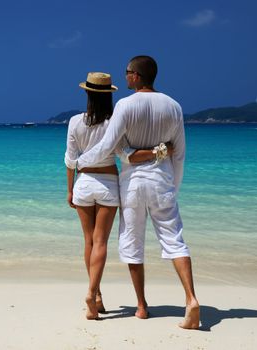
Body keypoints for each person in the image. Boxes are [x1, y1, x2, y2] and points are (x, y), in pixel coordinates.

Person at [76, 56, 200, 329]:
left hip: (132, 184)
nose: (126, 76)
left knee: (133, 244)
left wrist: (80, 163)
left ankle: (142, 307)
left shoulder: (125, 105)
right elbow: (178, 154)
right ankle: (191, 299)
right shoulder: (174, 106)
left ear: (136, 76)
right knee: (175, 240)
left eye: (127, 72)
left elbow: (109, 145)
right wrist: (174, 186)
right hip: (162, 180)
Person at [65, 72, 164, 320]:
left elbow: (70, 160)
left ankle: (96, 295)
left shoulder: (75, 121)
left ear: (87, 93)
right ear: (109, 96)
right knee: (100, 243)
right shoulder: (114, 123)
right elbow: (126, 154)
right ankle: (91, 293)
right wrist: (158, 151)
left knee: (88, 242)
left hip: (84, 183)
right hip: (108, 184)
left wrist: (69, 189)